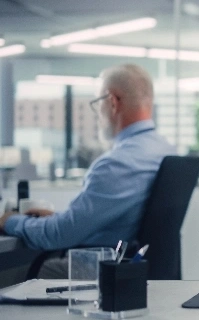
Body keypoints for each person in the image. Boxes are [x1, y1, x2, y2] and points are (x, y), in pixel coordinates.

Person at [0, 64, 176, 278]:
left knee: (14, 274)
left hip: (104, 268)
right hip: (131, 265)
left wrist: (10, 220)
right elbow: (114, 218)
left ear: (112, 102)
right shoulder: (164, 150)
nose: (97, 112)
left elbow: (58, 235)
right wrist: (61, 218)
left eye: (97, 103)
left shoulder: (117, 164)